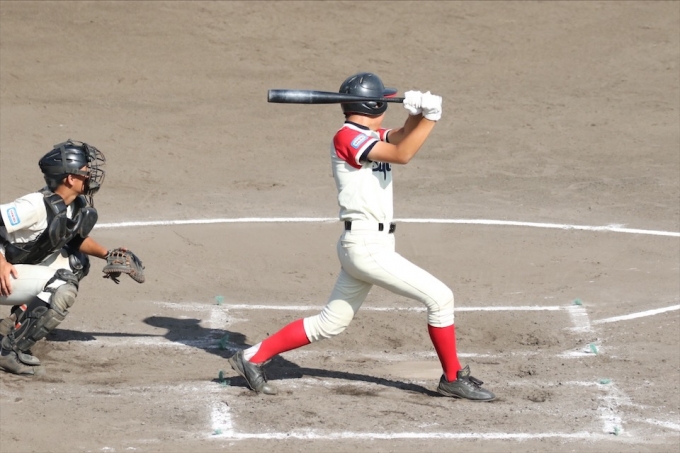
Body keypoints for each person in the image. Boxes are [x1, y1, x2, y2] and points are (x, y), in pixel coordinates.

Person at [228, 72, 495, 401]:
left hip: (369, 245)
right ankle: (453, 378)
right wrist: (433, 117)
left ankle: (251, 357)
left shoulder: (367, 134)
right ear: (373, 105)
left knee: (330, 323)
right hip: (367, 248)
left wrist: (417, 114)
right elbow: (403, 154)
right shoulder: (347, 138)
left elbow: (400, 137)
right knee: (440, 298)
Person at [0, 139, 129, 376]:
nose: (91, 175)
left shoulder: (70, 206)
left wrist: (108, 254)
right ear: (70, 178)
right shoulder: (35, 205)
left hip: (13, 272)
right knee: (62, 285)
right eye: (86, 171)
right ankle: (7, 351)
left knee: (76, 262)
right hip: (3, 272)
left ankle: (10, 326)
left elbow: (74, 238)